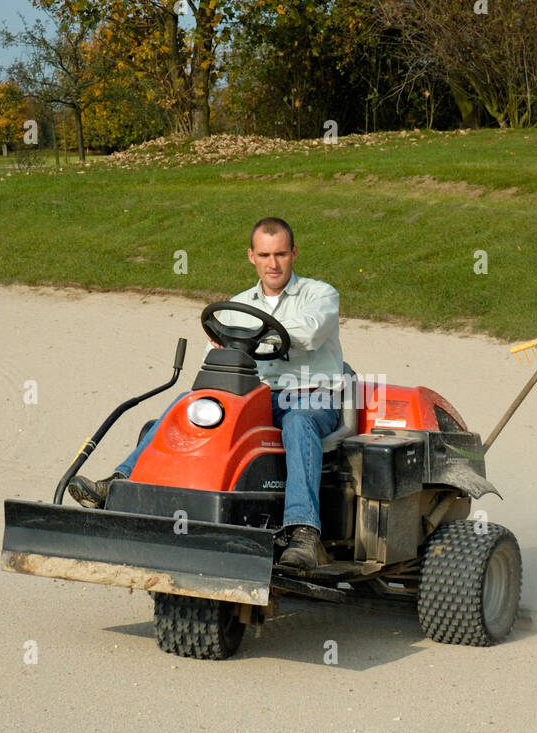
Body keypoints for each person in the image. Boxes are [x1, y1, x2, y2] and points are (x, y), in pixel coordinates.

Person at [67, 217, 344, 569]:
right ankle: (120, 483)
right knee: (191, 406)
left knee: (299, 424)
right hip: (255, 395)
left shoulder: (320, 295)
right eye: (264, 255)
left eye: (280, 254)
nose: (273, 264)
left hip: (309, 396)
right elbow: (212, 356)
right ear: (251, 257)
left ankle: (303, 531)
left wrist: (251, 332)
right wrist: (225, 343)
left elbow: (309, 332)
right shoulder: (239, 303)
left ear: (294, 253)